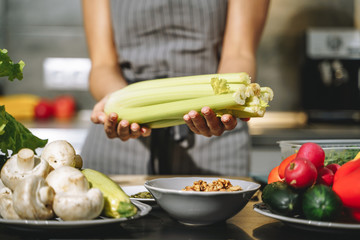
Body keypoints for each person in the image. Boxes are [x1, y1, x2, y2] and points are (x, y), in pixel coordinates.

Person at [80, 0, 270, 176]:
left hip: (214, 140)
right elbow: (102, 65)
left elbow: (239, 52)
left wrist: (223, 104)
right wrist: (116, 102)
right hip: (119, 146)